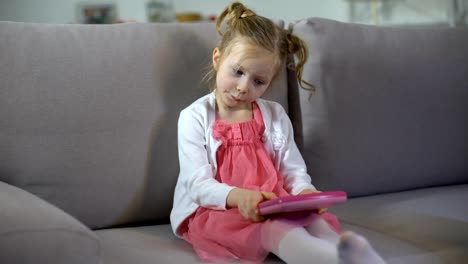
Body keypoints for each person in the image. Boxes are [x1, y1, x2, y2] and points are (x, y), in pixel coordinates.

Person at [170, 2, 386, 263]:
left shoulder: (273, 116)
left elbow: (292, 171)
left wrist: (305, 192)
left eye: (258, 81)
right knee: (277, 230)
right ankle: (331, 260)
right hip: (219, 209)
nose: (242, 87)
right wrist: (239, 197)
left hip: (273, 203)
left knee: (314, 221)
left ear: (269, 83)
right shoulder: (194, 117)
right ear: (218, 59)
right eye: (237, 72)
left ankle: (354, 252)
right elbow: (197, 185)